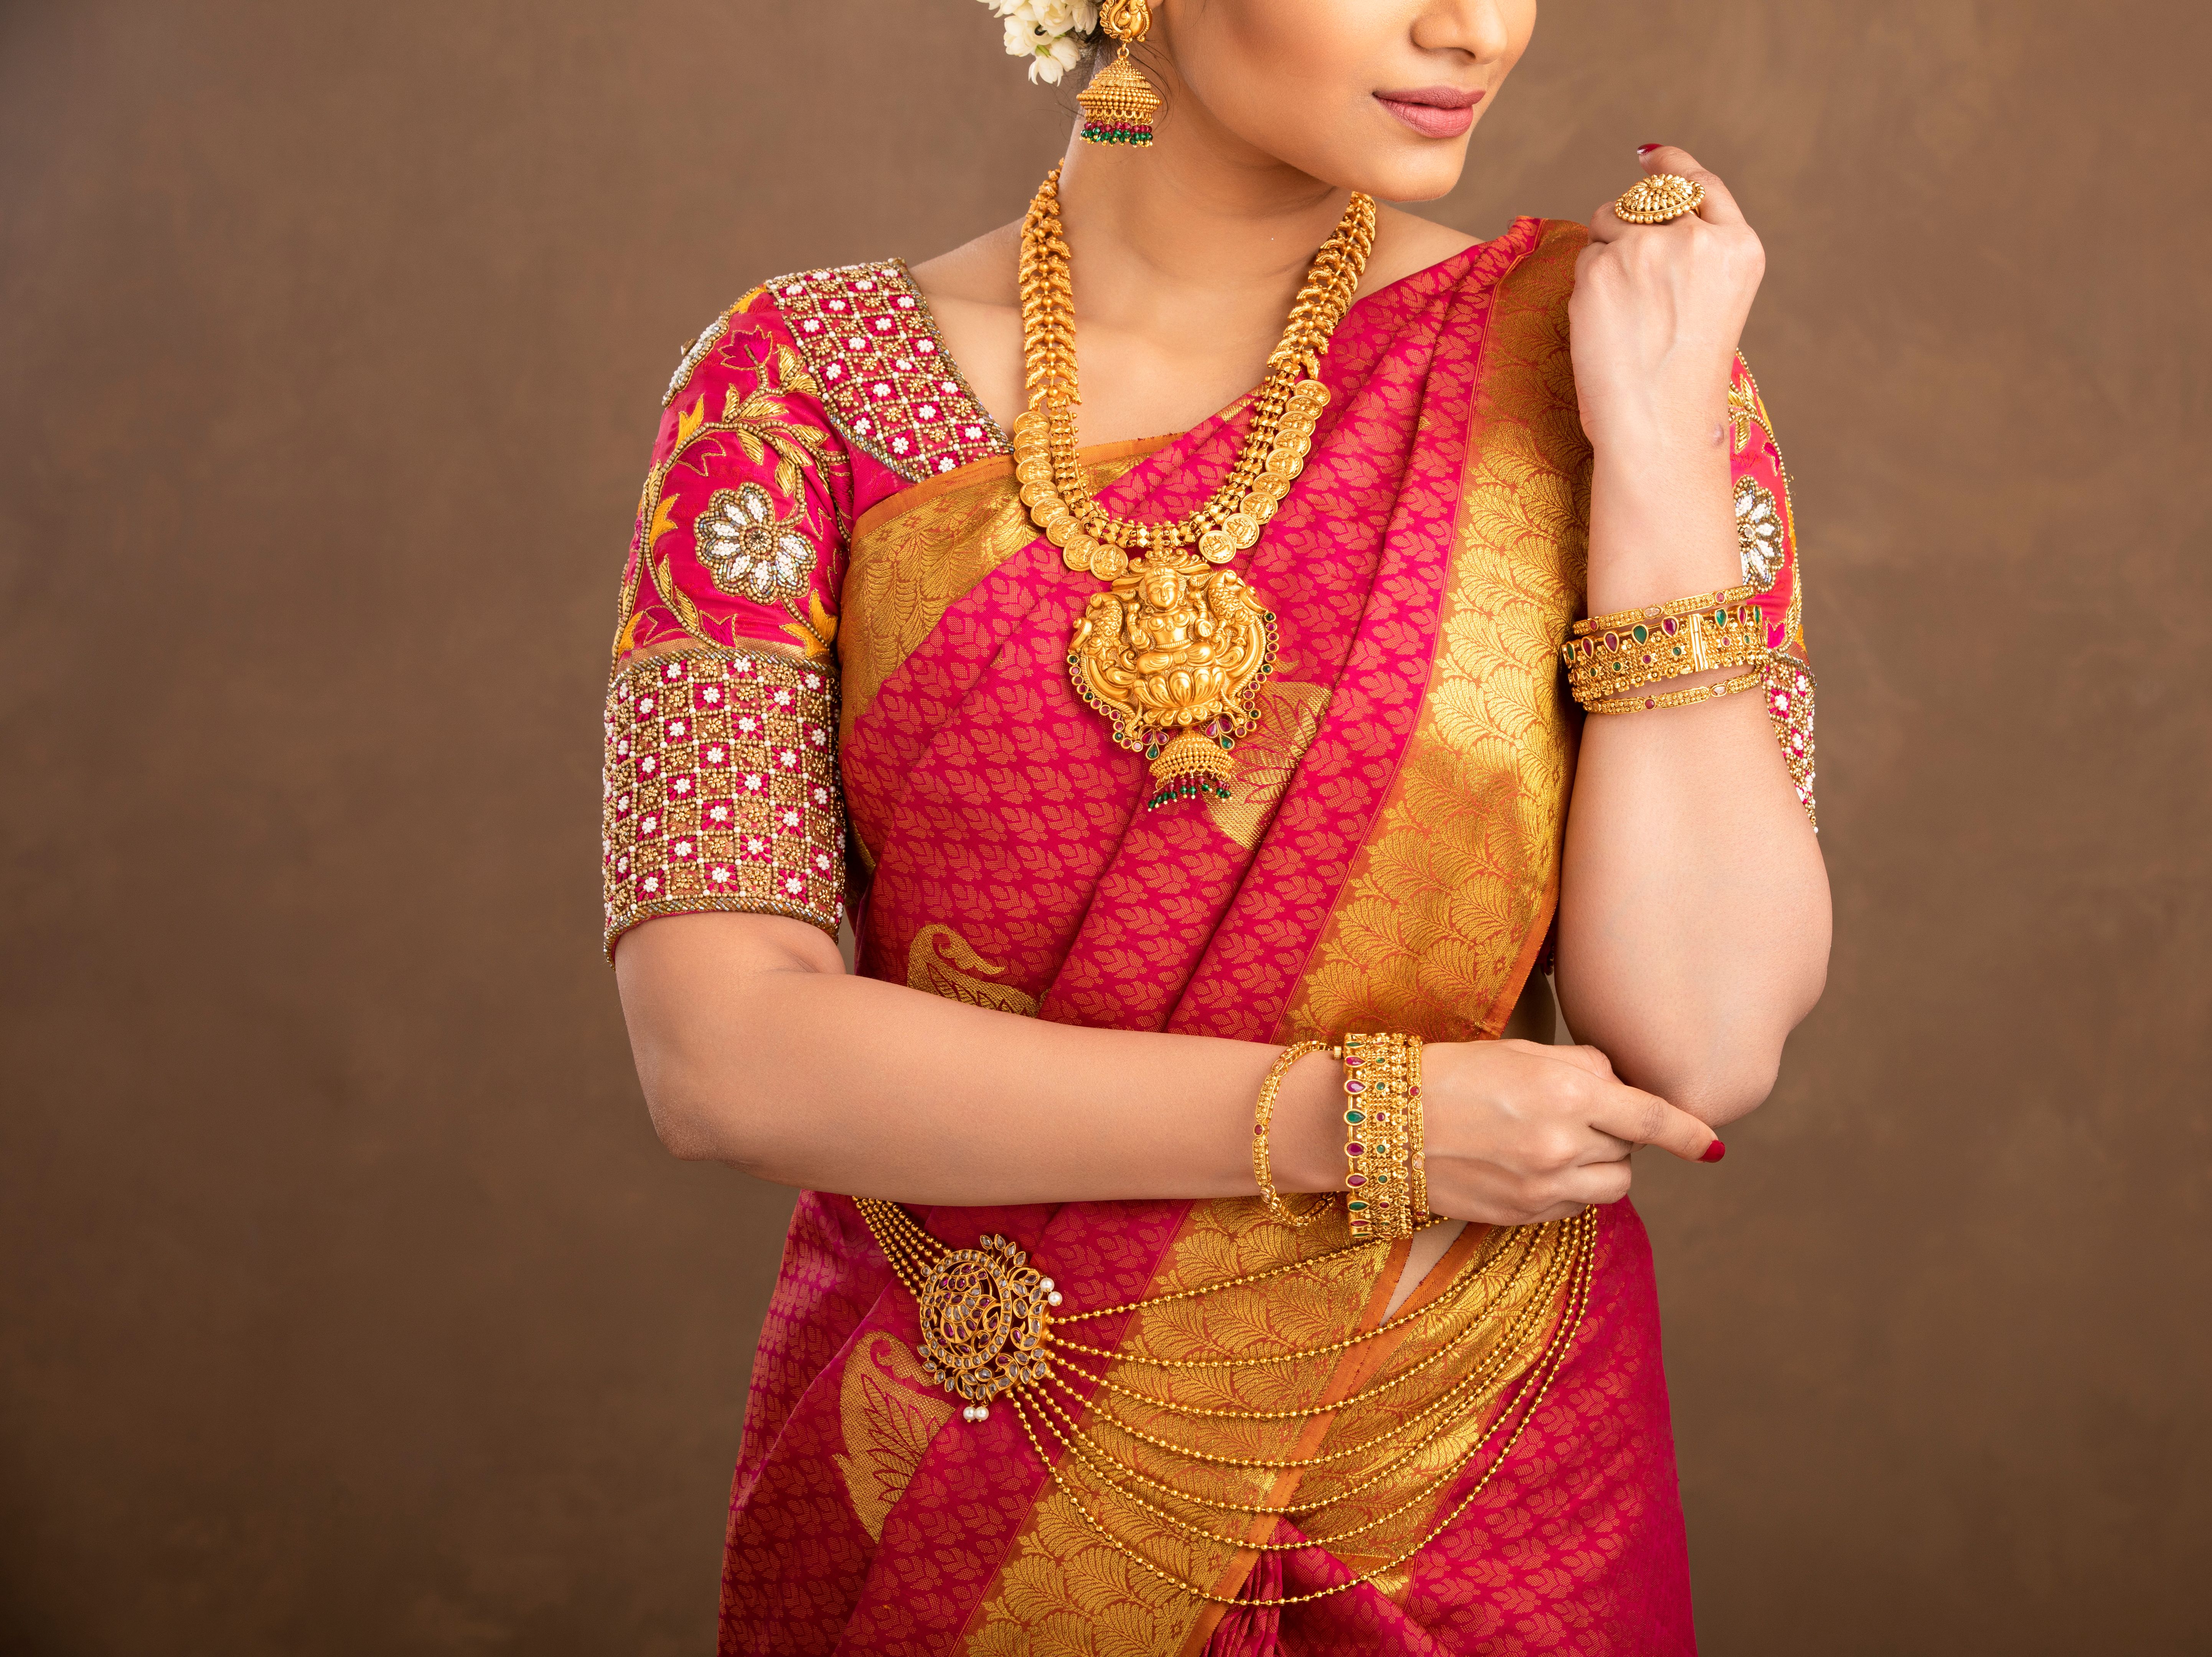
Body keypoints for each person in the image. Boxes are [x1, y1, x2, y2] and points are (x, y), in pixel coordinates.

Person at [600, 0, 1829, 1649]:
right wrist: (1350, 1123)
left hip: (1463, 1492)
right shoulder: (798, 394)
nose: (1472, 26)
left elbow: (1705, 1039)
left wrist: (1665, 452)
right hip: (964, 1487)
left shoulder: (1605, 369)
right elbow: (721, 1057)